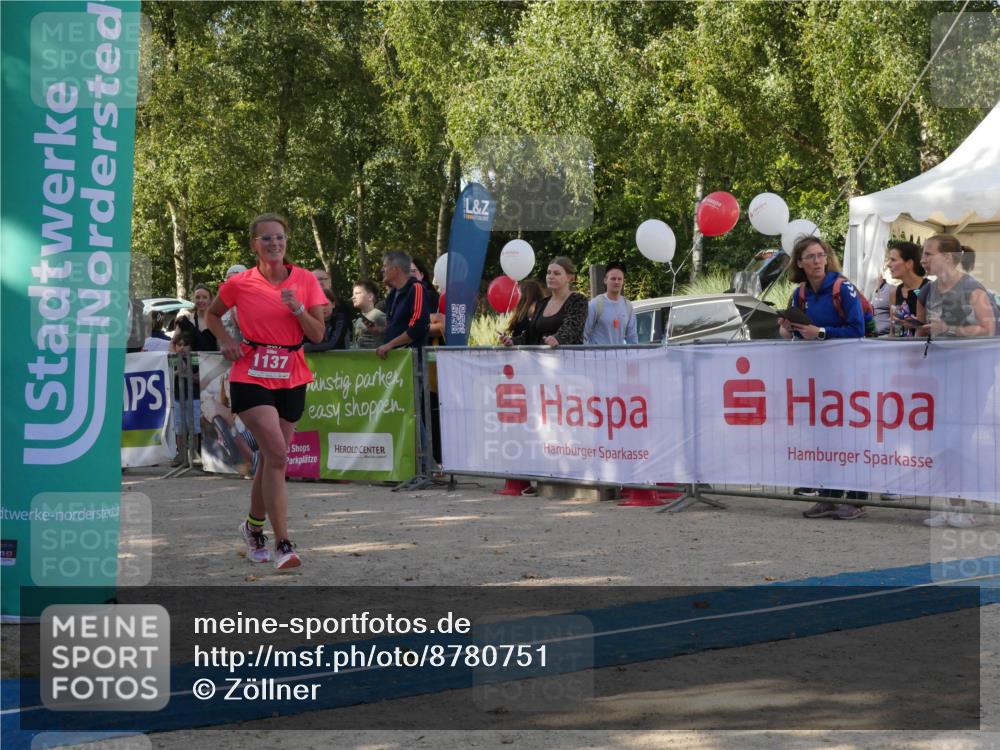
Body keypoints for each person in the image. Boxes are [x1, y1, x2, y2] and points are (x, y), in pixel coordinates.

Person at [206, 213, 327, 570]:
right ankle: (283, 544)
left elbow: (317, 334)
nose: (275, 243)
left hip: (292, 374)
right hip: (251, 373)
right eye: (267, 238)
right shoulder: (240, 283)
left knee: (273, 460)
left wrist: (298, 308)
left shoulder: (305, 280)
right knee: (277, 454)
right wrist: (226, 340)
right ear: (253, 245)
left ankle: (252, 528)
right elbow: (212, 314)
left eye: (280, 237)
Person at [779, 236, 867, 520]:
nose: (817, 261)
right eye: (811, 257)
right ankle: (828, 496)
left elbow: (858, 329)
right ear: (800, 263)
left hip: (850, 373)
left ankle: (857, 500)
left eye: (821, 255)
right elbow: (797, 333)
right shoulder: (800, 294)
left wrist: (821, 333)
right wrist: (787, 328)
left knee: (851, 435)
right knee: (824, 435)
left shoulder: (843, 287)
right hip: (819, 375)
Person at [915, 235, 997, 528]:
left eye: (928, 254)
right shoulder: (930, 289)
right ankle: (950, 505)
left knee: (960, 441)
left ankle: (970, 507)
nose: (923, 259)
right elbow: (930, 326)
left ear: (948, 257)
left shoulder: (972, 288)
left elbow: (989, 329)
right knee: (944, 442)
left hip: (972, 376)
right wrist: (922, 329)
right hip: (942, 374)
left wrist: (949, 328)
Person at [500, 257, 588, 347]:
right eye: (548, 273)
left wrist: (558, 339)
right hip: (542, 355)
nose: (551, 276)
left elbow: (573, 327)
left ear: (569, 278)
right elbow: (530, 334)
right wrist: (512, 341)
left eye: (556, 273)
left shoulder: (578, 300)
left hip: (568, 354)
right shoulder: (541, 303)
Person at [376, 251, 430, 359]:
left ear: (395, 269)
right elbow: (397, 327)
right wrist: (380, 330)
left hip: (411, 360)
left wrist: (390, 344)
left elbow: (418, 327)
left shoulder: (417, 288)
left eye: (385, 266)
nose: (382, 270)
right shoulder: (392, 294)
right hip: (393, 359)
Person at [583, 262, 638, 345]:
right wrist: (588, 352)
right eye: (613, 279)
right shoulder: (595, 304)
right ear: (605, 280)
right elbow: (583, 334)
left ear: (623, 282)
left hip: (619, 354)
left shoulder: (628, 306)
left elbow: (632, 338)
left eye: (619, 279)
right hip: (598, 353)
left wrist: (634, 352)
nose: (616, 282)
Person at [168, 327, 199, 467]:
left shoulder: (196, 359)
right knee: (179, 429)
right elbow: (168, 377)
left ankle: (193, 455)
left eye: (185, 345)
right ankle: (181, 455)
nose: (182, 348)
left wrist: (187, 374)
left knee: (194, 428)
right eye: (179, 345)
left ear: (191, 347)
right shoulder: (172, 359)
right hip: (177, 398)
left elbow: (199, 377)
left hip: (194, 398)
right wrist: (178, 373)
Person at [885, 241, 928, 337]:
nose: (888, 264)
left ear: (909, 263)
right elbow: (893, 331)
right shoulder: (894, 292)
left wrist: (916, 325)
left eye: (893, 260)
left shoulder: (929, 288)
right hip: (901, 345)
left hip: (925, 345)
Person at [304, 268, 351, 352]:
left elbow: (336, 340)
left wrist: (303, 348)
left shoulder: (341, 306)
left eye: (321, 279)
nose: (318, 282)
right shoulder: (302, 305)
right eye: (314, 279)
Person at [177, 284, 219, 351]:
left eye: (205, 297)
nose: (201, 300)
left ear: (210, 300)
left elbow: (222, 346)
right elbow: (173, 343)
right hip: (189, 358)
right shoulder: (185, 320)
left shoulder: (217, 321)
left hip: (213, 357)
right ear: (193, 299)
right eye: (197, 297)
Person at [351, 280, 386, 349]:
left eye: (357, 293)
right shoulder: (358, 319)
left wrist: (380, 329)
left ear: (370, 297)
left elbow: (394, 331)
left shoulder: (377, 315)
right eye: (353, 294)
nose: (353, 297)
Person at [221, 264, 247, 343]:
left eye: (234, 279)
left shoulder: (251, 303)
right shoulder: (222, 303)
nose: (229, 283)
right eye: (228, 279)